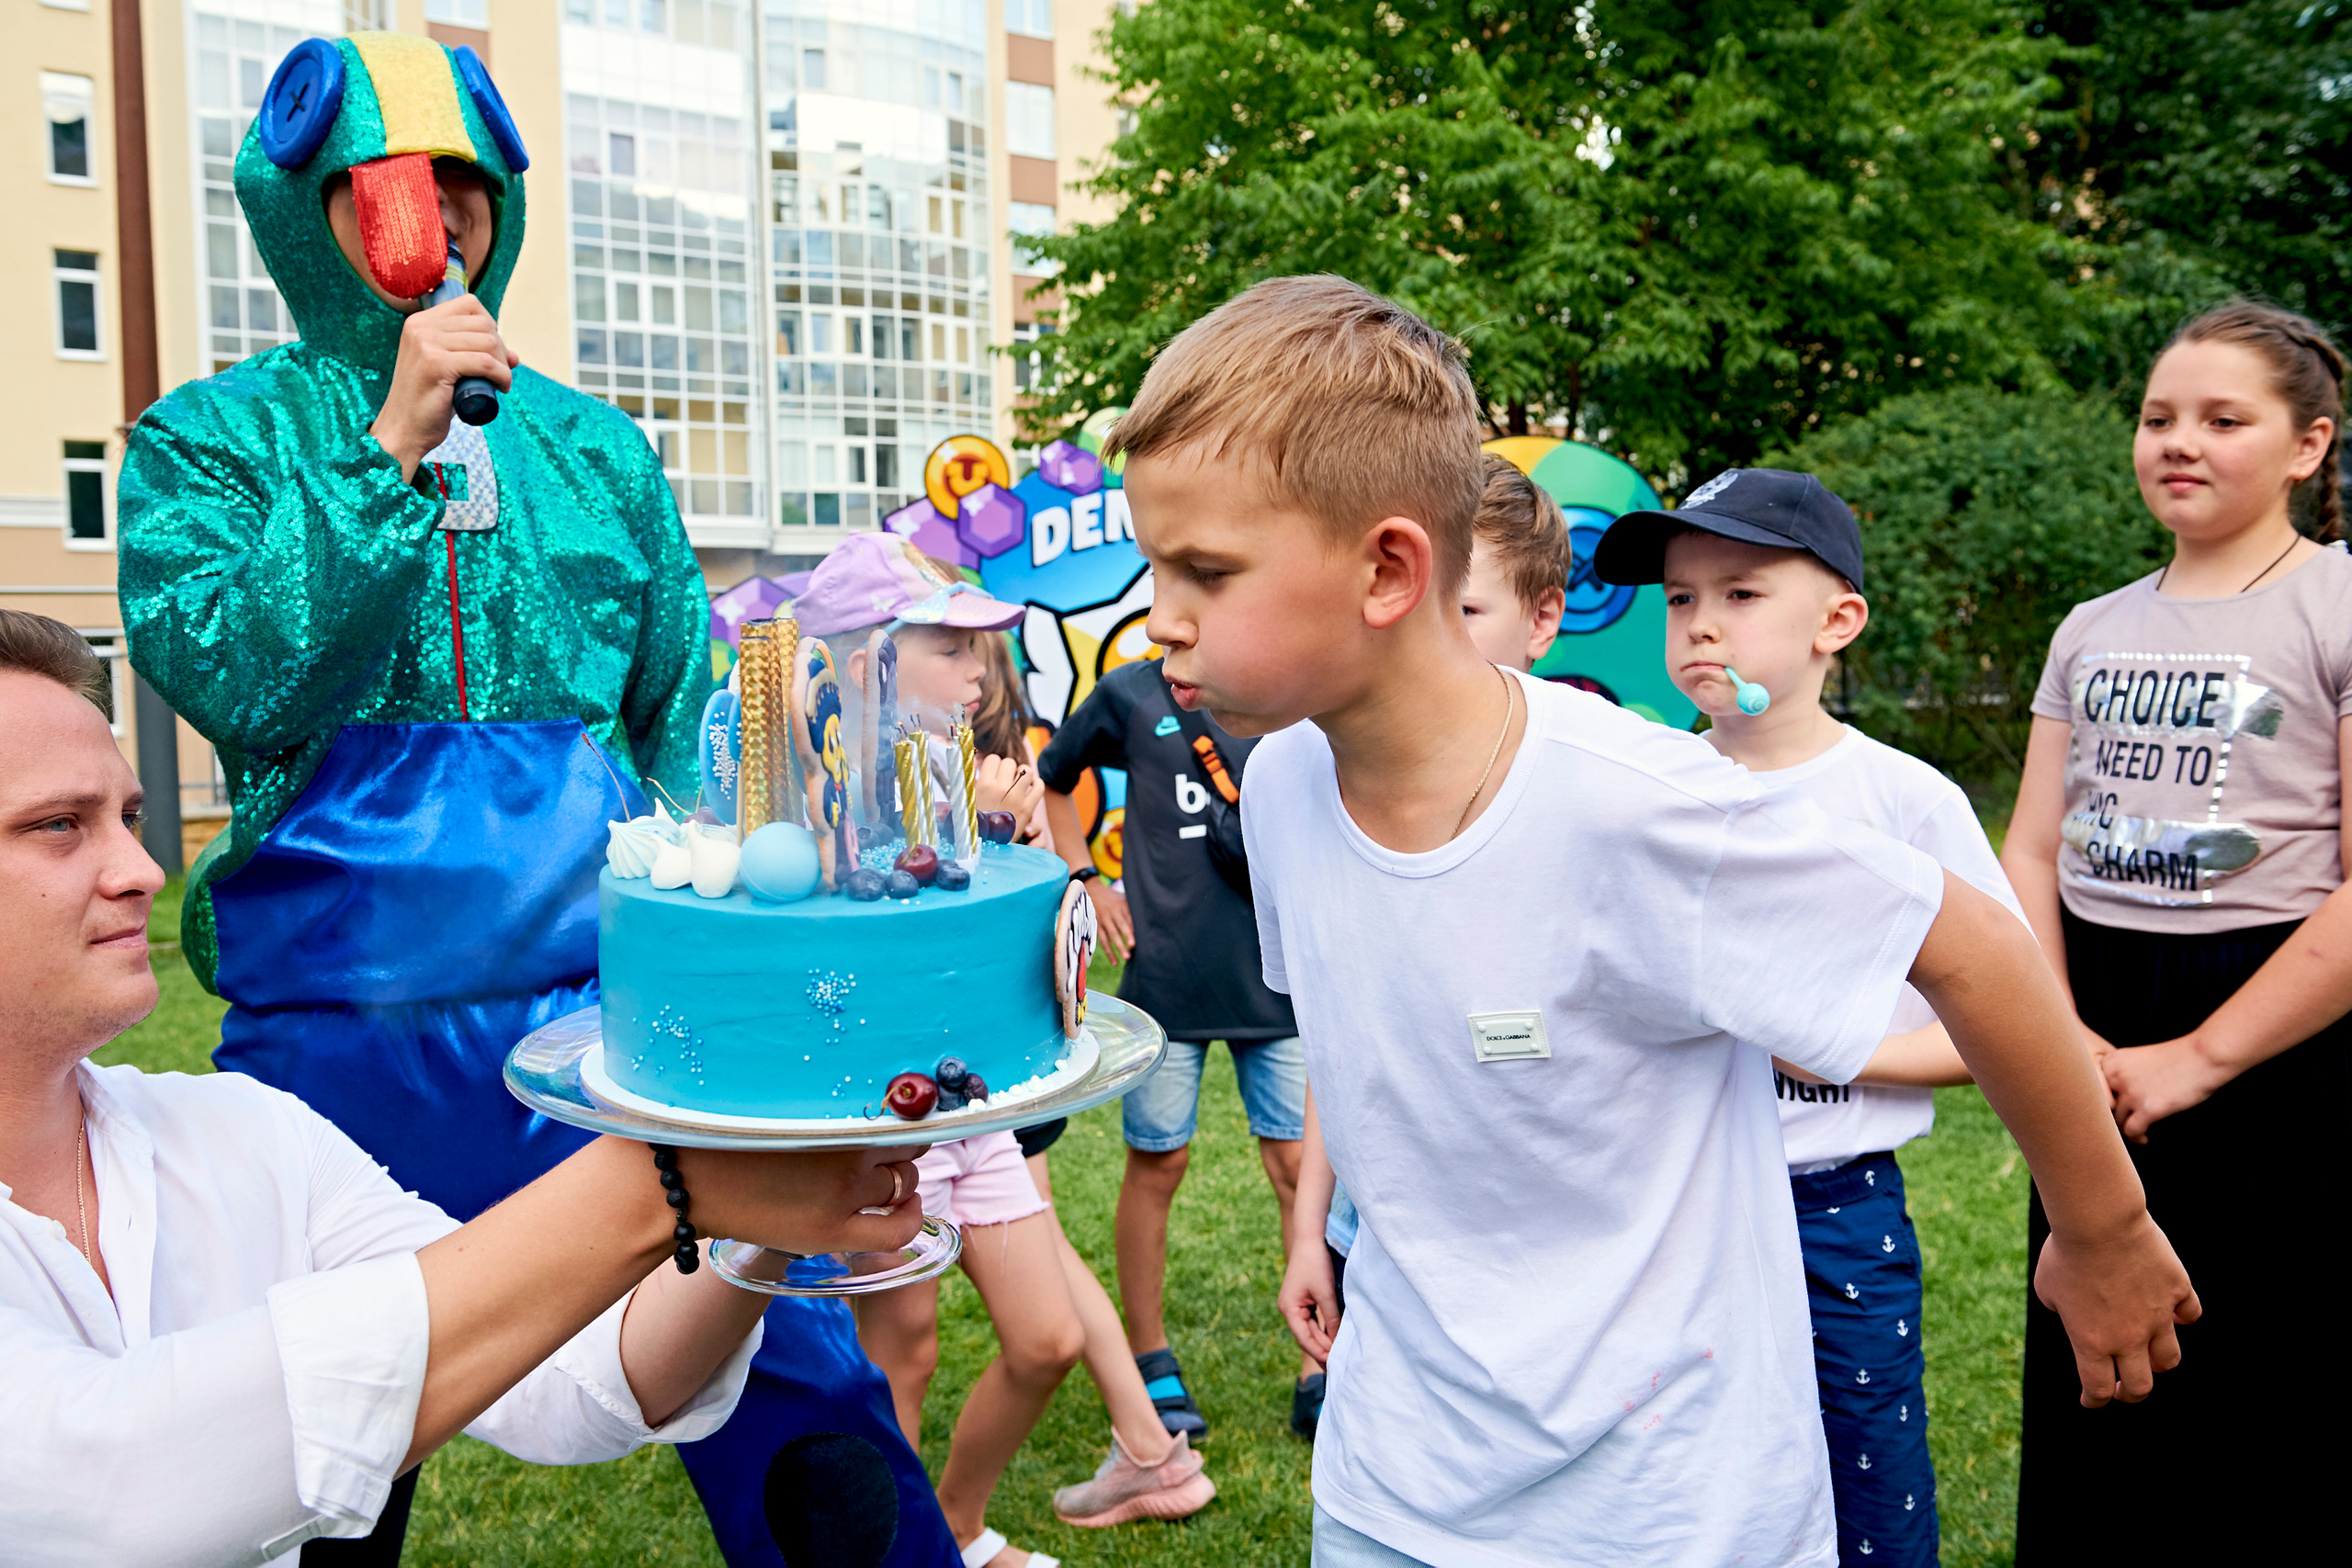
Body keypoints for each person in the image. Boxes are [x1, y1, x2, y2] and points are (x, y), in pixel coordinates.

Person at [1126, 274, 2196, 1567]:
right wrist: (1319, 1228)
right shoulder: (1289, 781)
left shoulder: (1640, 807)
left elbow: (1977, 952)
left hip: (1666, 1512)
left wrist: (2103, 1229)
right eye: (1151, 562)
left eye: (1203, 569)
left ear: (1390, 568)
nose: (1160, 615)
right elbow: (1384, 1067)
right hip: (1392, 1488)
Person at [113, 36, 952, 1566]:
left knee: (793, 1380)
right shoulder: (207, 447)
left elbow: (692, 723)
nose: (435, 221)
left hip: (592, 1026)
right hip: (324, 1044)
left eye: (464, 189)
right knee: (308, 1449)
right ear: (306, 207)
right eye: (388, 188)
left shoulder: (594, 449)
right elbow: (239, 676)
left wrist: (813, 880)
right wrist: (386, 451)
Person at [0, 611, 928, 1562]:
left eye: (130, 818)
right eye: (59, 826)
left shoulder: (244, 1135)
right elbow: (111, 1489)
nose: (145, 871)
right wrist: (662, 1180)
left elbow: (574, 1387)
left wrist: (759, 1179)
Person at [1591, 468, 2025, 1567]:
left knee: (1864, 1468)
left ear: (1837, 621)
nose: (1698, 626)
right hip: (1672, 1205)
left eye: (1738, 594)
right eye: (1679, 600)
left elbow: (2006, 1019)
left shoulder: (1902, 799)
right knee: (1686, 1475)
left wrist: (1849, 1054)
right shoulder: (1643, 791)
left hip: (1835, 1208)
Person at [2000, 301, 2350, 1560]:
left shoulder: (2336, 604)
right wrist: (2065, 1037)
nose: (2178, 441)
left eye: (2222, 418)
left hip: (2274, 1027)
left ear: (2309, 446)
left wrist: (2199, 1056)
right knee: (2101, 1350)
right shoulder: (2092, 627)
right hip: (2092, 1016)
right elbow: (2030, 848)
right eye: (2158, 418)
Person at [788, 540, 1211, 1566]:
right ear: (864, 662)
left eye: (979, 649)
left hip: (980, 1105)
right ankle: (903, 1552)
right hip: (884, 1114)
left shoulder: (978, 778)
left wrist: (1017, 851)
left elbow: (1021, 964)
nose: (980, 673)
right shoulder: (811, 798)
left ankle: (956, 1524)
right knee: (905, 1349)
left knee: (1047, 1340)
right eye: (950, 647)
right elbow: (840, 948)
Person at [1285, 454, 1569, 1438]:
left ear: (1542, 620)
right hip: (1380, 1231)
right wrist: (1311, 1226)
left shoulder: (1597, 800)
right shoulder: (1316, 788)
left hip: (1542, 1262)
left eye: (1470, 614)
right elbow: (1340, 1040)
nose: (1431, 645)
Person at [1038, 626, 1306, 1443]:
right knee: (1159, 1162)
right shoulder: (1129, 694)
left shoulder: (1288, 680)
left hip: (1281, 974)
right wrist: (1086, 878)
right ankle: (1151, 1354)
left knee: (1299, 1165)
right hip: (1169, 977)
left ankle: (1321, 1357)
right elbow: (1054, 781)